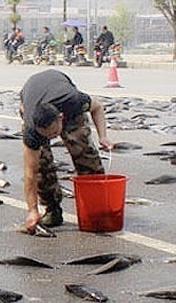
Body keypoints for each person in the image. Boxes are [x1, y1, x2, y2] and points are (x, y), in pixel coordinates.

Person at [19, 69, 112, 232]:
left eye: (54, 133)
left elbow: (98, 107)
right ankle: (52, 209)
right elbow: (30, 173)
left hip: (61, 95)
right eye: (47, 136)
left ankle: (96, 209)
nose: (53, 138)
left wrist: (103, 136)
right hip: (31, 96)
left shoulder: (73, 101)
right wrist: (32, 210)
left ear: (61, 118)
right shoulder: (32, 129)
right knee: (41, 164)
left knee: (83, 151)